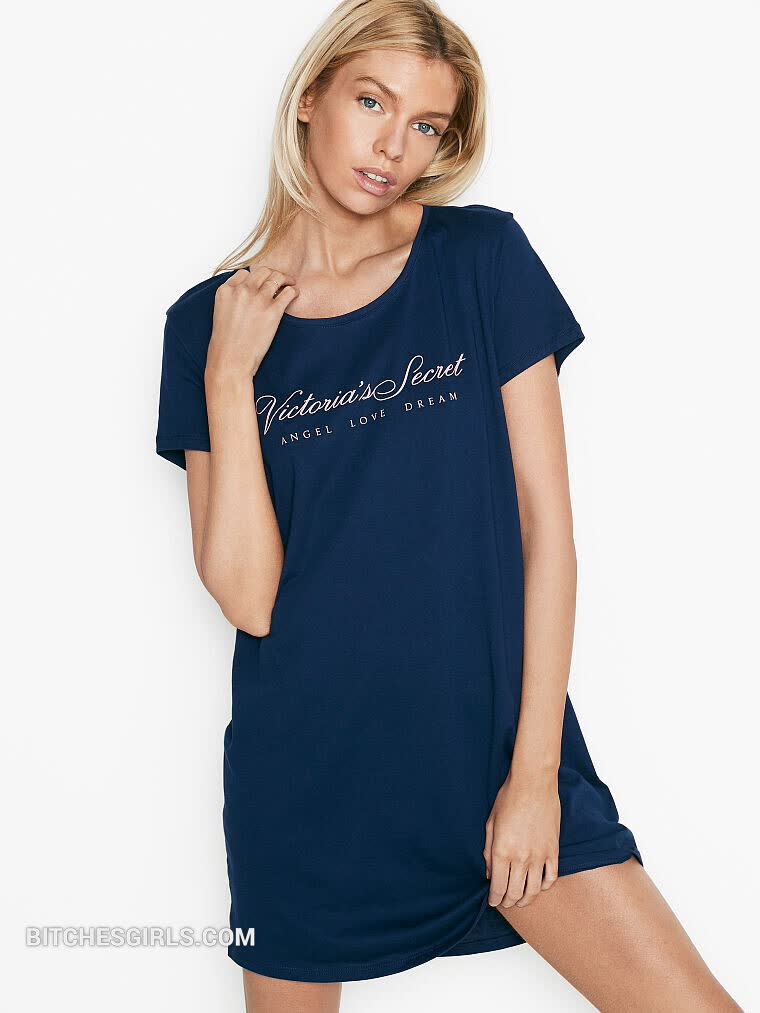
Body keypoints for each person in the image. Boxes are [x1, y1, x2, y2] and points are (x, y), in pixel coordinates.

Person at [155, 1, 742, 1009]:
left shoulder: (480, 260)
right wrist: (228, 376)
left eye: (425, 123)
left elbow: (546, 530)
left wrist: (534, 778)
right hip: (308, 790)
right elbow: (249, 598)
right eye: (372, 103)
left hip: (495, 760)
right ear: (310, 98)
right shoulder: (205, 326)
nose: (394, 145)